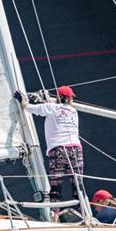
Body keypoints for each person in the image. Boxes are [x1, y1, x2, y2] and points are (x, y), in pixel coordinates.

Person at [14, 86, 83, 218]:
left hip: (58, 150)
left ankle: (54, 215)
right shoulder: (74, 111)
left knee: (56, 185)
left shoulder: (51, 107)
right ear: (68, 99)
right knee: (77, 184)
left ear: (58, 97)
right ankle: (83, 211)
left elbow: (27, 107)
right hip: (76, 149)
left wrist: (21, 99)